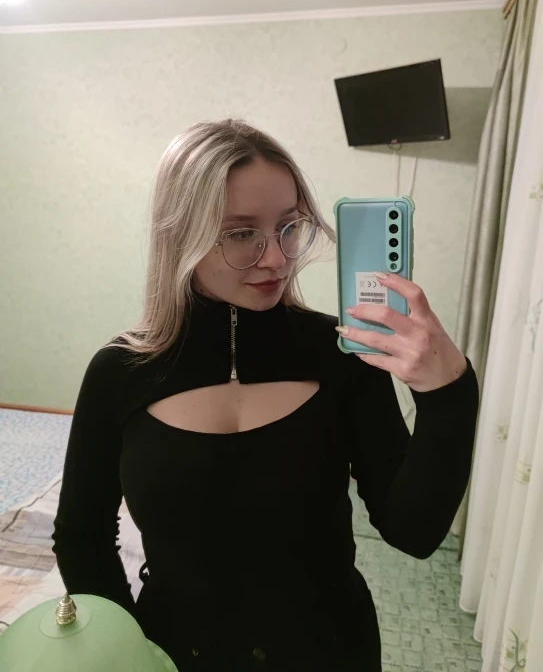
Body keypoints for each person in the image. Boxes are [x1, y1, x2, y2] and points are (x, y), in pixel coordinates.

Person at [52, 119, 479, 672]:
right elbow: (82, 537)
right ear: (180, 234)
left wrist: (449, 392)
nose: (277, 257)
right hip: (171, 657)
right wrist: (125, 650)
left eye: (289, 226)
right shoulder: (120, 371)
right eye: (240, 233)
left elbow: (413, 532)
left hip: (330, 654)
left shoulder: (342, 355)